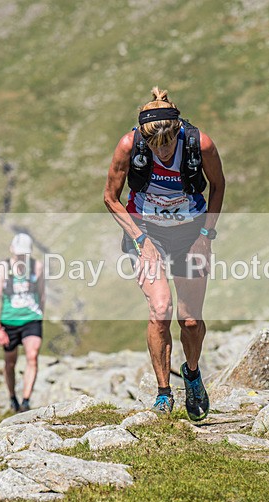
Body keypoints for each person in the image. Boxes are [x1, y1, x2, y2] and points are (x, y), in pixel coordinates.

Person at [103, 87, 226, 420]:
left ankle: (193, 373)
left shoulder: (199, 144)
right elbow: (111, 198)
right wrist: (142, 241)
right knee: (160, 310)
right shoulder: (130, 145)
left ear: (177, 131)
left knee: (189, 320)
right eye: (156, 147)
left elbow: (218, 186)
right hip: (147, 232)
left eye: (168, 144)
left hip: (190, 231)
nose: (163, 150)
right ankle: (163, 393)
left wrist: (205, 235)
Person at [0, 233, 45, 413]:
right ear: (12, 250)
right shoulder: (3, 268)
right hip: (9, 321)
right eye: (19, 254)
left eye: (24, 254)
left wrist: (40, 314)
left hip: (31, 318)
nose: (21, 257)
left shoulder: (37, 266)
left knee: (32, 355)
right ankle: (12, 397)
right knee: (10, 362)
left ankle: (26, 401)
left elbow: (42, 293)